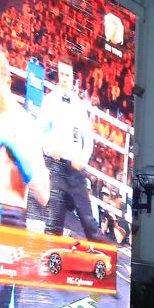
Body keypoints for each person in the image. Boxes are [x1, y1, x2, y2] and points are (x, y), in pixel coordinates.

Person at [0, 41, 51, 308]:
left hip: (7, 220)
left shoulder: (24, 125)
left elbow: (43, 194)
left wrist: (18, 154)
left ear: (8, 81)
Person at [38, 60, 102, 242]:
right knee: (54, 219)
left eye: (68, 74)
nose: (64, 78)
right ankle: (50, 260)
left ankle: (103, 262)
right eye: (62, 74)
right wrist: (49, 148)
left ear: (73, 77)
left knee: (88, 218)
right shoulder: (50, 100)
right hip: (57, 166)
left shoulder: (79, 105)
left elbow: (88, 138)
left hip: (75, 168)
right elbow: (40, 130)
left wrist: (82, 159)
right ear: (58, 75)